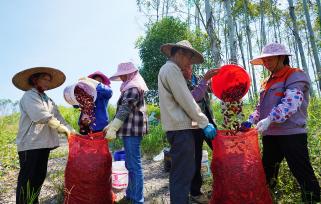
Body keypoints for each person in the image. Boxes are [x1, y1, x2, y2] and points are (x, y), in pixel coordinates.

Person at [241, 42, 320, 202]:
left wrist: (270, 119)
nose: (266, 63)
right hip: (270, 135)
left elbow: (291, 103)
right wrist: (250, 120)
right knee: (268, 171)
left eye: (270, 59)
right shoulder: (266, 82)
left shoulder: (294, 75)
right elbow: (260, 107)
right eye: (264, 60)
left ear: (281, 57)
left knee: (302, 171)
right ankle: (267, 198)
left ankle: (313, 199)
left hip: (291, 134)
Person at [158, 40, 217, 203]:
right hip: (180, 128)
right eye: (189, 59)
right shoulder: (171, 69)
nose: (188, 64)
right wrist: (204, 122)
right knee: (182, 174)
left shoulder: (169, 69)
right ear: (180, 53)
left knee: (183, 171)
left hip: (180, 127)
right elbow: (186, 100)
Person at [12, 67, 73, 204]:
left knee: (39, 177)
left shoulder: (48, 100)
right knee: (28, 180)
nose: (47, 82)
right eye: (45, 79)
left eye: (49, 80)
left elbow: (58, 117)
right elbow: (40, 115)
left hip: (43, 143)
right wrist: (59, 127)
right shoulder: (29, 95)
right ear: (35, 80)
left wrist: (71, 130)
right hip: (30, 144)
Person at [103, 62, 148, 204]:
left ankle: (137, 199)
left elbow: (125, 109)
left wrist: (114, 127)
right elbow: (123, 109)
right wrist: (111, 125)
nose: (121, 77)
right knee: (131, 164)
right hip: (130, 130)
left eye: (122, 74)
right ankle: (131, 195)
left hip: (133, 130)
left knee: (134, 165)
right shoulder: (130, 86)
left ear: (129, 73)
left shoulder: (134, 87)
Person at [182, 65, 219, 203]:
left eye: (188, 67)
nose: (186, 70)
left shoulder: (197, 78)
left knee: (220, 151)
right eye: (183, 68)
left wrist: (217, 82)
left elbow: (212, 90)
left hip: (209, 122)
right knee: (195, 159)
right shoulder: (180, 82)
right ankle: (195, 192)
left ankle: (222, 184)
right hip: (194, 125)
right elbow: (193, 98)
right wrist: (205, 80)